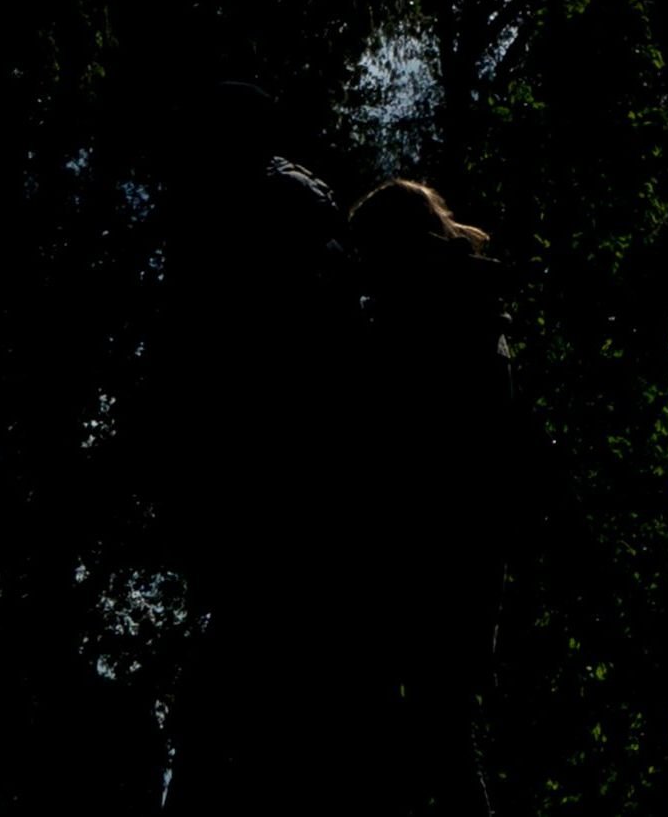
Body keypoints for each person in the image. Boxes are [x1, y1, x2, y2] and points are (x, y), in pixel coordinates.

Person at [161, 83, 362, 811]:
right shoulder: (289, 205)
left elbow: (244, 358)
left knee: (236, 706)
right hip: (283, 492)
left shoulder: (265, 211)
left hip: (275, 492)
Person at [342, 178, 516, 817]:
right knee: (441, 738)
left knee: (426, 740)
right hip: (466, 554)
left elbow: (395, 440)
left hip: (425, 553)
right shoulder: (472, 308)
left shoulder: (420, 315)